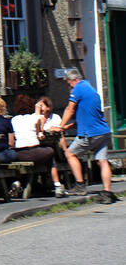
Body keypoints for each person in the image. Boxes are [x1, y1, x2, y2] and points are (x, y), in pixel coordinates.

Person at [50, 67, 118, 202]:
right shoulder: (90, 88)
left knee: (70, 153)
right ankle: (107, 192)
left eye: (69, 83)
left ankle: (80, 185)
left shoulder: (78, 89)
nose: (69, 86)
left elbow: (70, 109)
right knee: (102, 161)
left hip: (90, 133)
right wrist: (70, 125)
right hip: (103, 131)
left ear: (74, 80)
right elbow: (88, 114)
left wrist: (61, 126)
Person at [10, 93, 63, 196]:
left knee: (16, 158)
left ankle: (17, 182)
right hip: (34, 152)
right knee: (50, 153)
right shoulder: (36, 118)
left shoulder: (14, 119)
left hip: (19, 154)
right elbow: (40, 134)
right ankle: (57, 185)